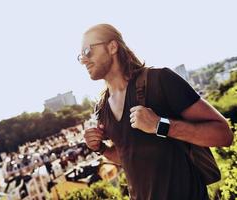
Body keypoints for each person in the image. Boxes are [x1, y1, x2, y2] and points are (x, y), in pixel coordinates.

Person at [79, 24, 233, 200]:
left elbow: (223, 134)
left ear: (112, 47)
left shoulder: (160, 81)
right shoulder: (102, 109)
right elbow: (129, 158)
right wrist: (101, 148)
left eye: (88, 51)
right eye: (80, 56)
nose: (83, 59)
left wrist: (160, 125)